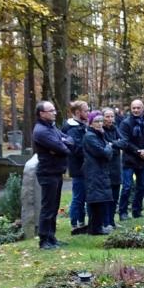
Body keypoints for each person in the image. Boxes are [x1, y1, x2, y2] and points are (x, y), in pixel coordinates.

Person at [32, 101, 74, 249]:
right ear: (42, 114)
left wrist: (62, 143)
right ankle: (44, 240)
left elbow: (69, 141)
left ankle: (52, 237)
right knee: (48, 207)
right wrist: (61, 145)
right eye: (51, 111)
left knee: (54, 206)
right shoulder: (41, 131)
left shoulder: (51, 127)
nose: (54, 112)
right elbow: (64, 150)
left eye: (54, 110)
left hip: (56, 171)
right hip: (47, 172)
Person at [117, 99, 144, 220]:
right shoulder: (125, 123)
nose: (136, 110)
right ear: (131, 109)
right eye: (134, 108)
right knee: (127, 187)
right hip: (129, 159)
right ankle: (123, 212)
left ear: (143, 109)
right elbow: (125, 142)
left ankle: (137, 211)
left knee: (141, 187)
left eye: (138, 108)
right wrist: (139, 151)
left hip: (143, 160)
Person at [83, 111, 115, 235]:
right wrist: (109, 146)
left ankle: (98, 226)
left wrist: (108, 147)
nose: (100, 123)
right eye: (96, 121)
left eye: (101, 121)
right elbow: (103, 153)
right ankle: (96, 228)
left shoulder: (99, 135)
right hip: (94, 172)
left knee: (100, 200)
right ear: (90, 123)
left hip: (100, 171)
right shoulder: (90, 136)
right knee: (96, 201)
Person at [62, 100, 89, 234]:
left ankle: (81, 221)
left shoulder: (81, 126)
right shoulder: (72, 128)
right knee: (78, 197)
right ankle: (74, 223)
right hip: (78, 167)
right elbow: (76, 148)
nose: (88, 113)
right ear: (78, 112)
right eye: (86, 111)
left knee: (83, 196)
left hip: (84, 166)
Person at [101, 108, 122, 230]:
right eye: (107, 117)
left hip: (116, 168)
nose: (110, 119)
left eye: (111, 116)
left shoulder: (115, 128)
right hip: (106, 168)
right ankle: (106, 221)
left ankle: (112, 221)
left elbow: (124, 142)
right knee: (107, 196)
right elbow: (105, 148)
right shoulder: (101, 131)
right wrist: (116, 144)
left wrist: (112, 144)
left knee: (115, 196)